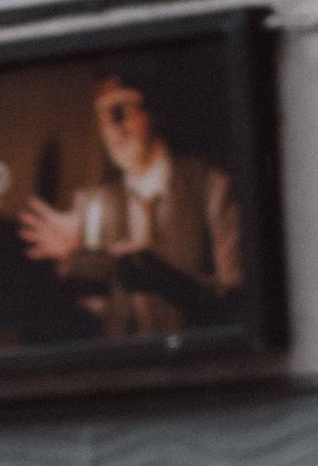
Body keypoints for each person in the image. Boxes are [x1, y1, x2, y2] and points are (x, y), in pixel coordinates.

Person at [16, 65, 243, 341]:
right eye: (102, 112)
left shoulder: (211, 185)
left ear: (157, 111)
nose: (113, 123)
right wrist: (73, 262)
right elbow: (98, 315)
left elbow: (238, 304)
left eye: (123, 106)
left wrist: (167, 281)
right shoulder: (98, 201)